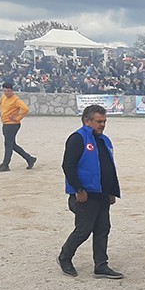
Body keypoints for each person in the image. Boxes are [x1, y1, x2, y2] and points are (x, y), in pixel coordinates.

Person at [57, 105, 123, 279]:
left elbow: (108, 167)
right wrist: (78, 189)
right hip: (85, 195)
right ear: (87, 121)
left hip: (102, 194)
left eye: (104, 121)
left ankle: (101, 266)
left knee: (103, 229)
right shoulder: (77, 138)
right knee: (83, 230)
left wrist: (111, 192)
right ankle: (64, 257)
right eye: (99, 121)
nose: (102, 125)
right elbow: (68, 166)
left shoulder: (104, 140)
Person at [0, 82, 36, 172]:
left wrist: (17, 117)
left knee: (8, 145)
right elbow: (1, 106)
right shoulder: (3, 97)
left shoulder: (16, 99)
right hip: (6, 123)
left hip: (12, 124)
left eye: (8, 91)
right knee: (12, 144)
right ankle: (29, 158)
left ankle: (5, 164)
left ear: (12, 91)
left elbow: (25, 109)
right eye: (5, 91)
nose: (6, 93)